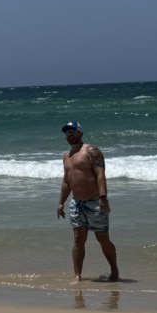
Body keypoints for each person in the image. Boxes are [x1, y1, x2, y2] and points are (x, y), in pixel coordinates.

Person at [56, 121, 120, 282]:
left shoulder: (91, 151)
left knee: (102, 238)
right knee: (78, 239)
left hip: (94, 202)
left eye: (73, 132)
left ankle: (114, 271)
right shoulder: (67, 156)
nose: (69, 135)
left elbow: (100, 175)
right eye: (67, 133)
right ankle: (77, 275)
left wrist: (103, 198)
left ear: (80, 133)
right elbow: (66, 181)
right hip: (76, 204)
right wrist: (61, 202)